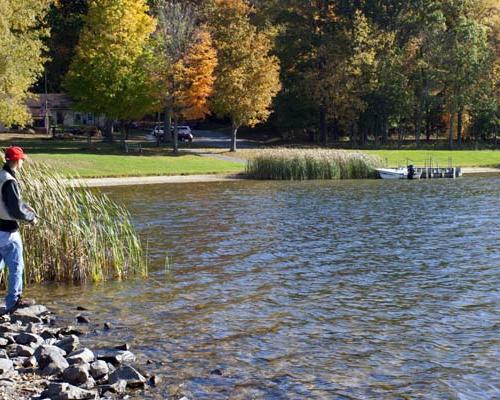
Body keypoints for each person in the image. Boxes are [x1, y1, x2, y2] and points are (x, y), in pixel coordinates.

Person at [0, 146, 37, 313]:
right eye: (22, 159)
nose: (23, 162)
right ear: (16, 161)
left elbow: (8, 202)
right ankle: (13, 302)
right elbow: (14, 209)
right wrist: (31, 217)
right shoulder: (9, 180)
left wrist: (24, 206)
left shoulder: (1, 176)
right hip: (8, 232)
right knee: (16, 267)